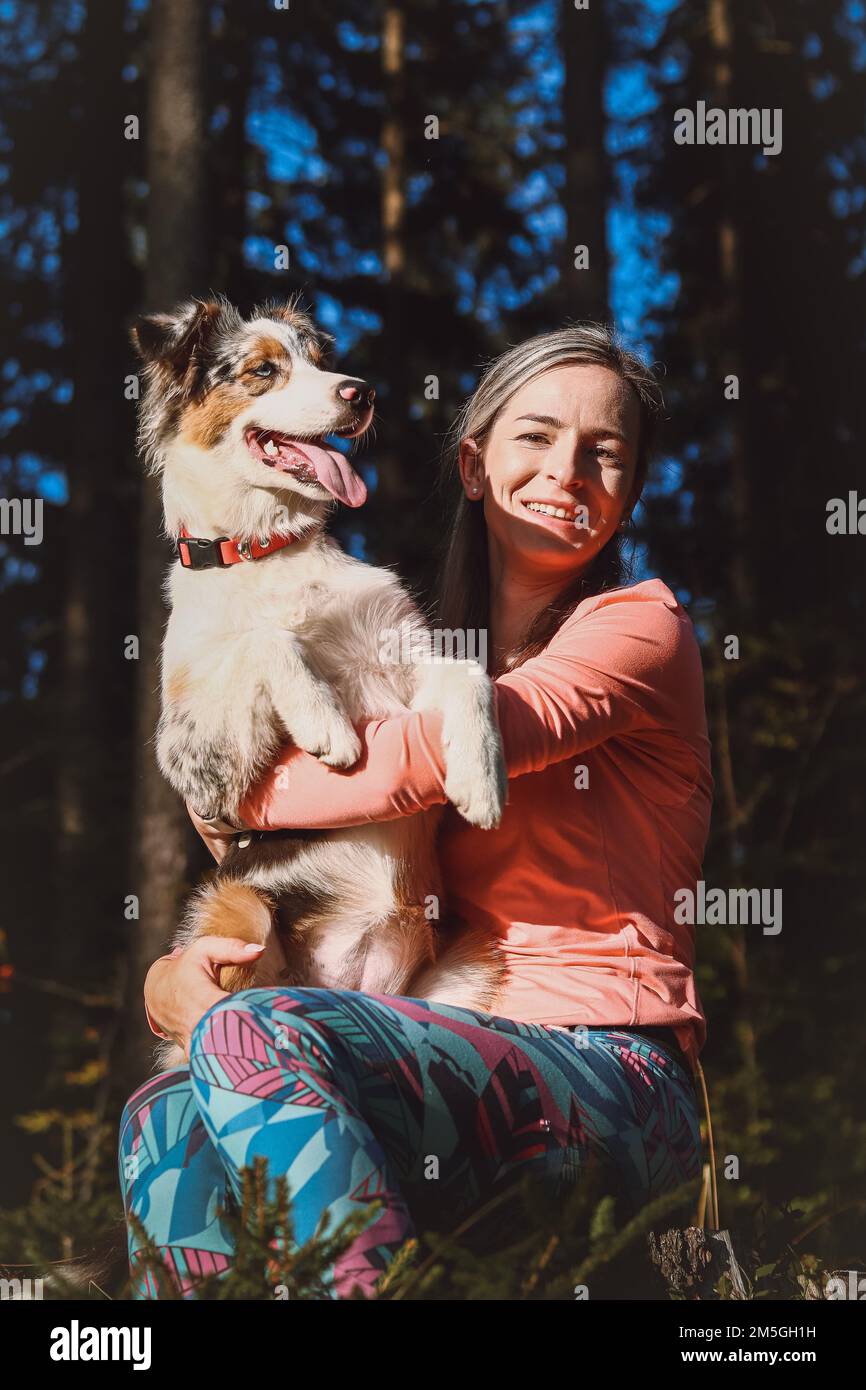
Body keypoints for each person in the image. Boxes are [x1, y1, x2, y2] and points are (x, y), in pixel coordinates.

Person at [119, 325, 713, 1300]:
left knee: (254, 1037)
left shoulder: (638, 626)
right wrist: (184, 970)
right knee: (163, 1117)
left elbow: (413, 765)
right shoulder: (422, 643)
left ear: (630, 487)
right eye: (535, 436)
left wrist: (229, 790)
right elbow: (298, 844)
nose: (566, 467)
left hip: (610, 1074)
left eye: (603, 451)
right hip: (429, 1032)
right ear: (473, 466)